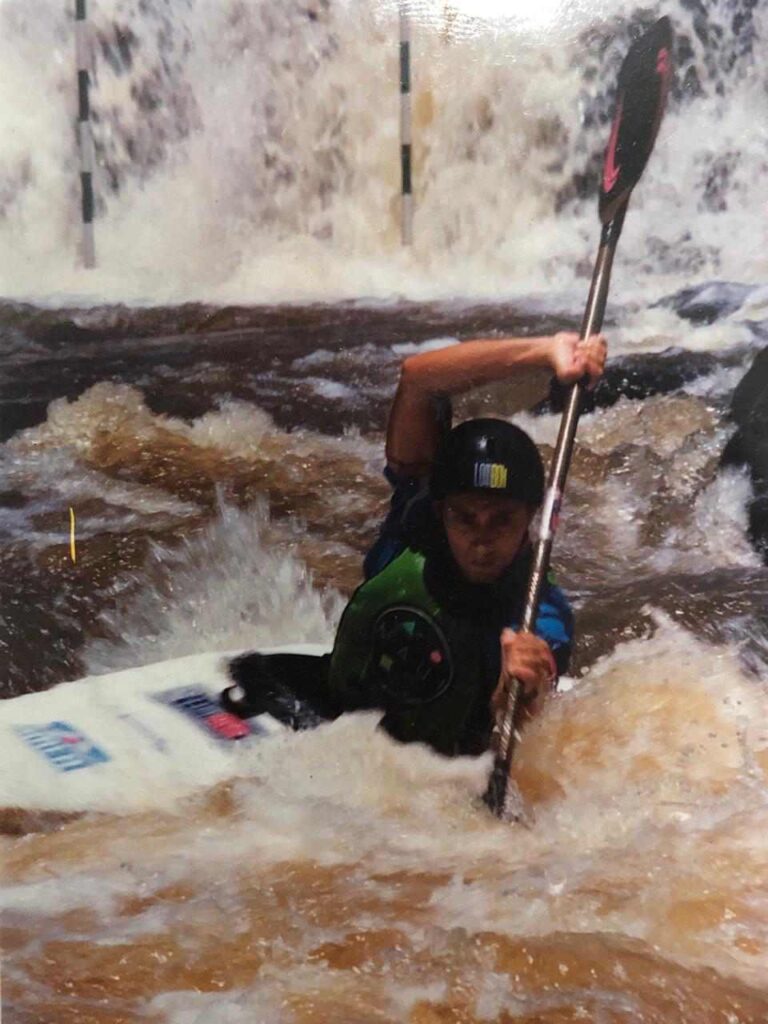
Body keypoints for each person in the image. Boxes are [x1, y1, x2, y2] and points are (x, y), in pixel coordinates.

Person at [223, 331, 606, 757]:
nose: (482, 538)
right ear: (441, 512)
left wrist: (523, 685)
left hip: (443, 764)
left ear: (531, 519)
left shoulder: (540, 610)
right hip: (345, 719)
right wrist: (546, 352)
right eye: (466, 518)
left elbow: (525, 717)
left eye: (502, 520)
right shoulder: (414, 527)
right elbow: (419, 378)